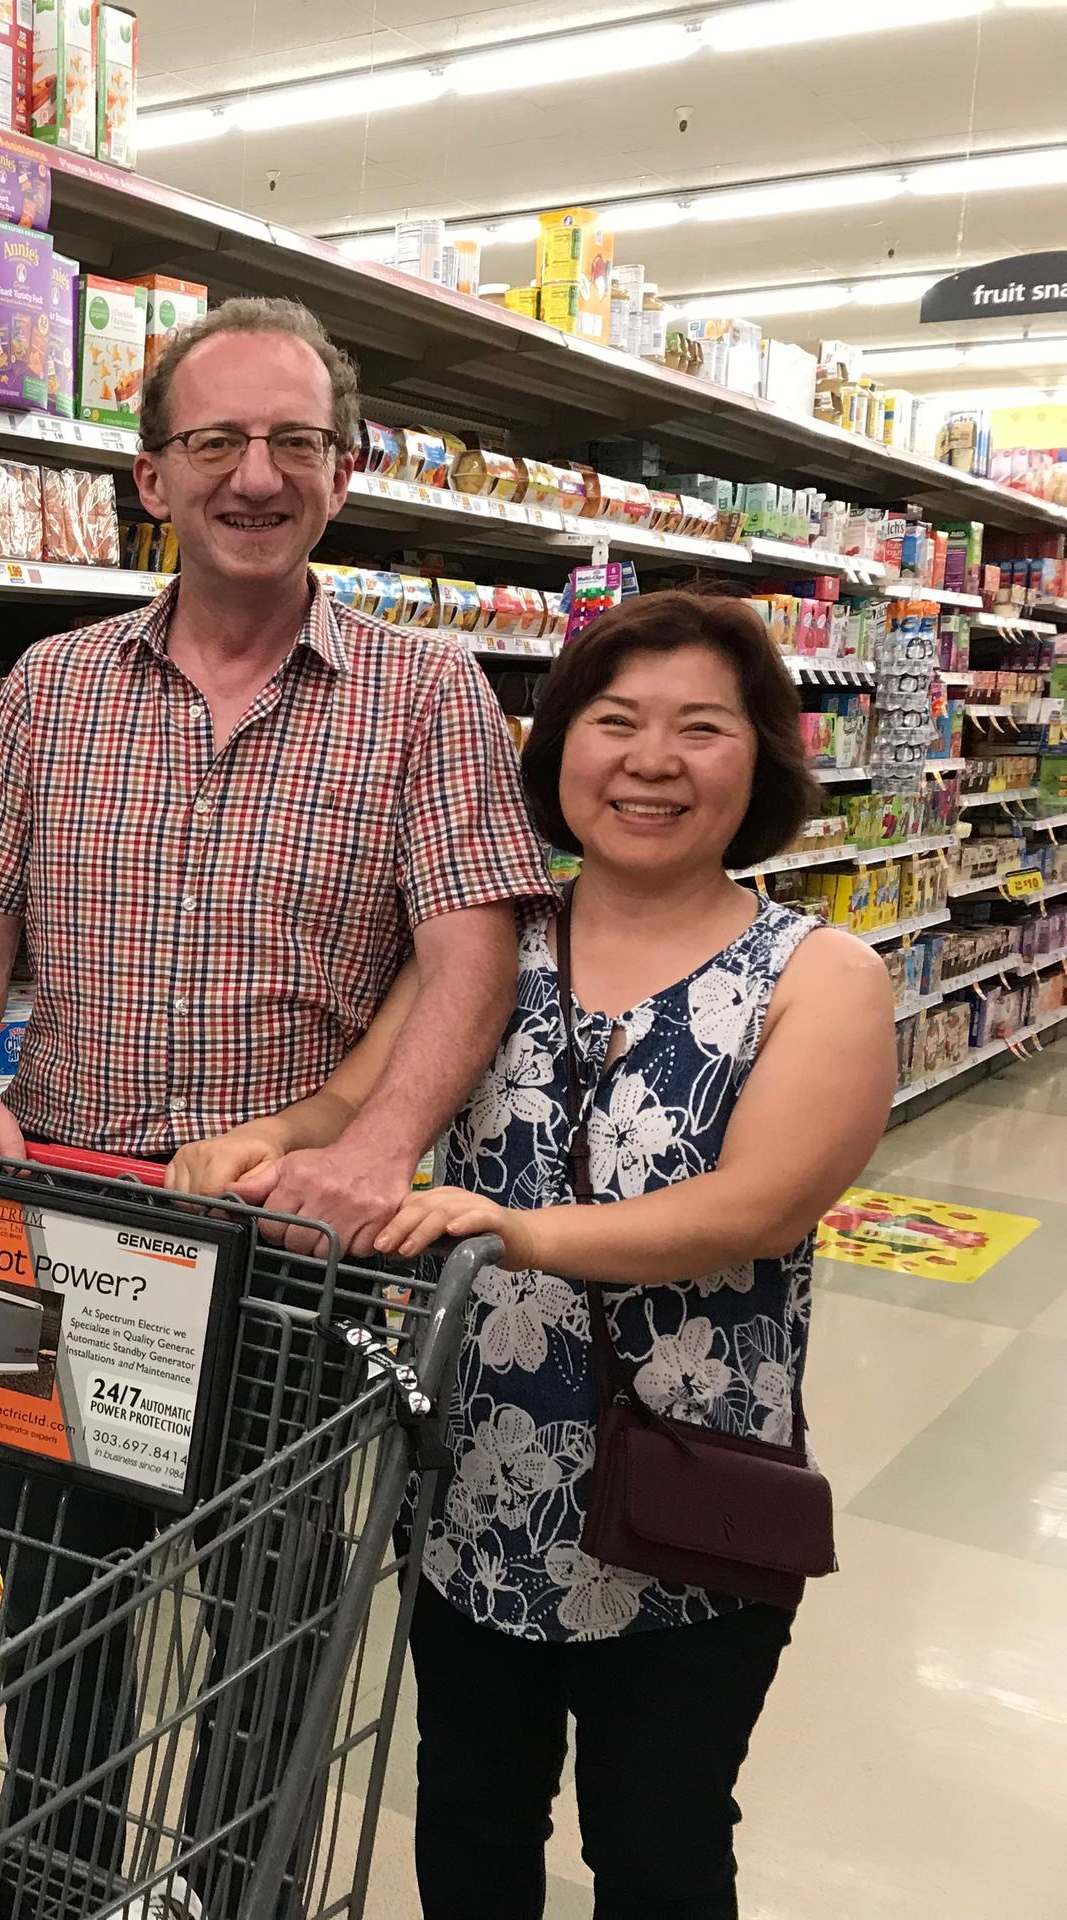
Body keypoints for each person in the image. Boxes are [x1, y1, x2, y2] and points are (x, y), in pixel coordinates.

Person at [0, 296, 554, 1912]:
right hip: (59, 1221)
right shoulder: (53, 686)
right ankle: (58, 1883)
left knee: (264, 1634)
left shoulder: (426, 692)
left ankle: (219, 1897)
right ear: (152, 478)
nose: (254, 476)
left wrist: (379, 1150)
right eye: (215, 443)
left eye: (293, 443)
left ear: (344, 473)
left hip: (293, 1246)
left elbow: (474, 945)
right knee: (56, 1609)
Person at [172, 591, 894, 1920]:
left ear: (764, 758)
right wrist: (260, 1143)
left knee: (661, 1846)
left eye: (701, 729)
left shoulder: (822, 973)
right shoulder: (493, 945)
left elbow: (757, 1212)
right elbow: (354, 1108)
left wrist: (509, 1228)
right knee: (469, 1825)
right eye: (614, 723)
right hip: (474, 1493)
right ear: (561, 752)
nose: (652, 762)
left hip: (685, 1504)